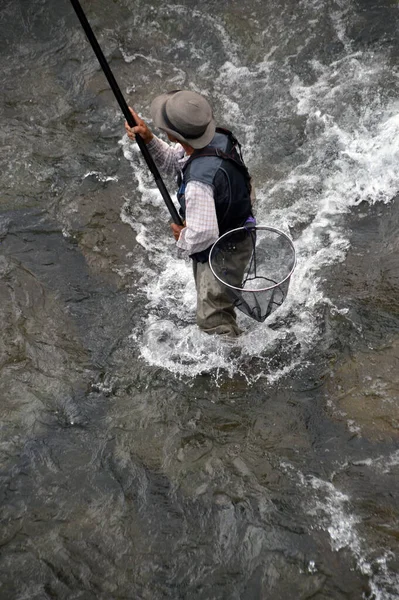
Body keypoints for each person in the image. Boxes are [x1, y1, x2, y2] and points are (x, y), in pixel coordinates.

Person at [125, 89, 254, 337]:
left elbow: (204, 234)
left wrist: (184, 235)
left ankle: (235, 364)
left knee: (212, 320)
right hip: (237, 230)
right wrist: (149, 139)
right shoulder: (216, 140)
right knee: (219, 303)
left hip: (224, 252)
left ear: (174, 135)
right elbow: (178, 161)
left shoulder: (197, 186)